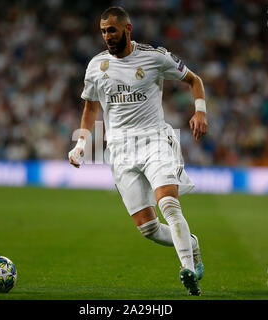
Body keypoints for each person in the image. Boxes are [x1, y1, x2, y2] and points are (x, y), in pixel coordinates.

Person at [68, 6, 208, 296]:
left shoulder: (155, 57)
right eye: (103, 31)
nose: (107, 36)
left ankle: (189, 269)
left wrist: (200, 112)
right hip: (120, 152)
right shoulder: (96, 66)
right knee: (149, 229)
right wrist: (81, 143)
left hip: (155, 141)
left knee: (169, 204)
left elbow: (195, 80)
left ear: (127, 29)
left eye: (112, 30)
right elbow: (91, 107)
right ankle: (190, 244)